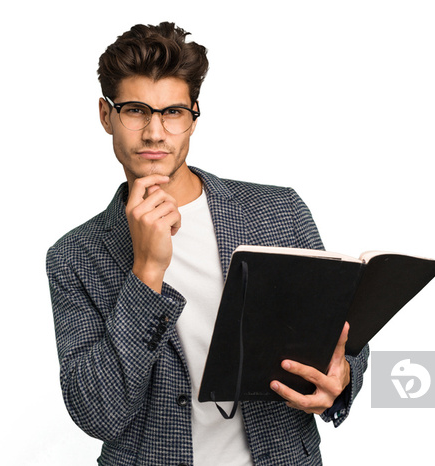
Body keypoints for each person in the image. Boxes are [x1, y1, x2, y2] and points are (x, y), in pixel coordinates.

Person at [46, 22, 369, 466]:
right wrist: (146, 273)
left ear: (194, 115)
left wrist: (343, 377)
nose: (155, 133)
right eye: (136, 110)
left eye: (173, 112)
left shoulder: (279, 210)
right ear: (106, 115)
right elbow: (98, 413)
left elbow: (341, 336)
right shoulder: (75, 256)